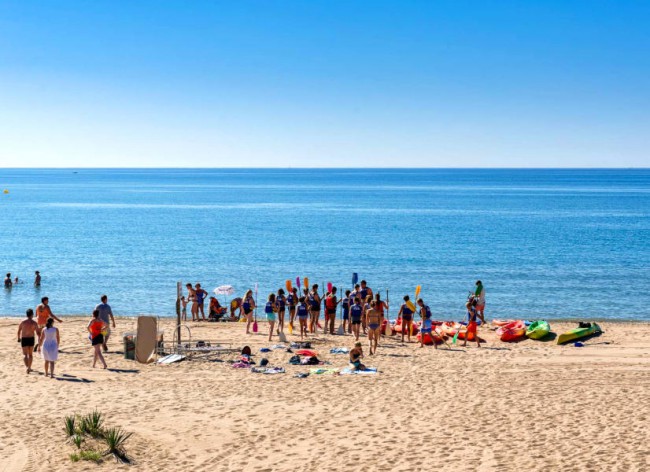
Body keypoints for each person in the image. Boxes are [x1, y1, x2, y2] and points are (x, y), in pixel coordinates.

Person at [17, 308, 38, 374]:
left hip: (24, 338)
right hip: (31, 338)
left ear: (26, 315)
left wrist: (18, 338)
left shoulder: (23, 322)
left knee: (25, 355)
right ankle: (29, 367)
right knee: (31, 354)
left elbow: (19, 331)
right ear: (32, 315)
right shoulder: (34, 323)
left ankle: (27, 367)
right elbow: (37, 332)